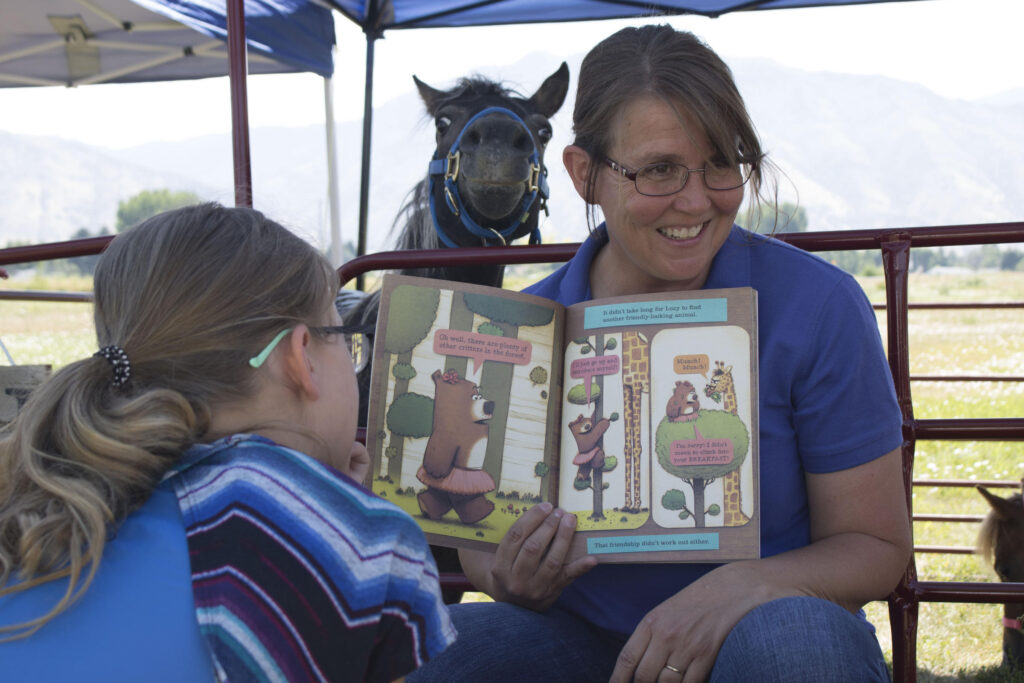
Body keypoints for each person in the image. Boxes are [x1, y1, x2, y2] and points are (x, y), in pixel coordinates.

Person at [409, 25, 911, 683]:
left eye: (722, 163)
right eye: (659, 169)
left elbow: (875, 546)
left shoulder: (818, 305)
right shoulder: (513, 328)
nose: (697, 199)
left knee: (799, 645)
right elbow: (481, 556)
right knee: (443, 651)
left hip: (765, 630)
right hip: (580, 638)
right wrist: (511, 574)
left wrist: (744, 587)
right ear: (585, 173)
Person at [0, 204, 456, 682]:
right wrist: (339, 511)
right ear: (302, 358)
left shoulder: (49, 493)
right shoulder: (366, 540)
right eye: (343, 338)